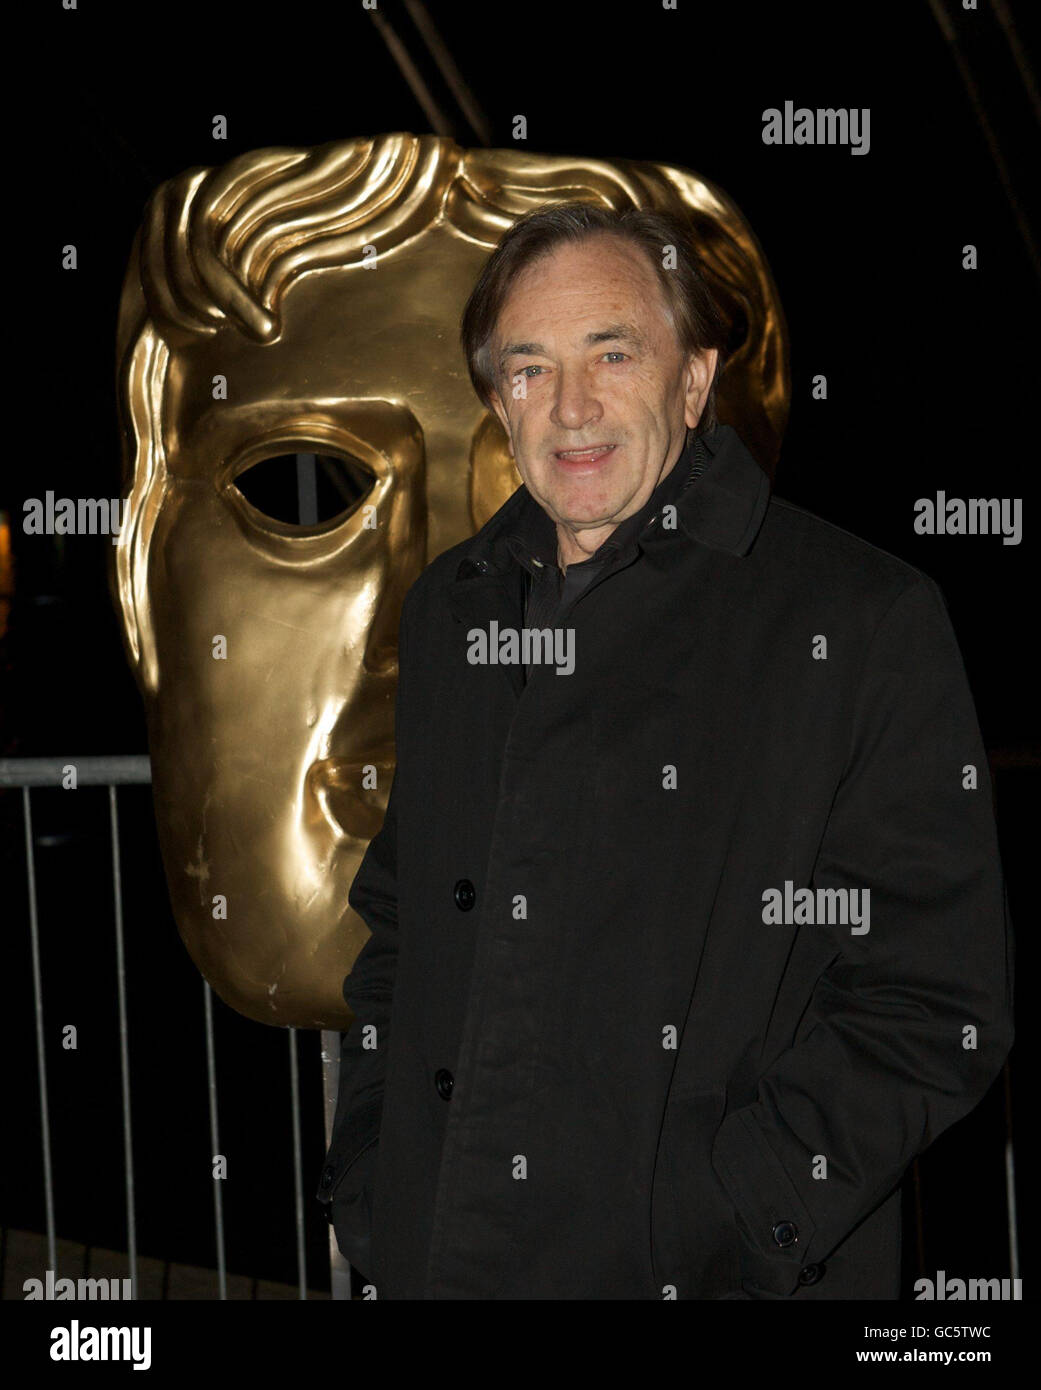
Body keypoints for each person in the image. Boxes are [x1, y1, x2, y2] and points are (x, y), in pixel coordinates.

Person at [316, 201, 1014, 1299]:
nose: (573, 406)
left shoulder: (858, 618)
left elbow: (936, 1002)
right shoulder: (453, 610)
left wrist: (735, 1214)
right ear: (499, 400)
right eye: (531, 368)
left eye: (613, 352)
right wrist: (373, 1177)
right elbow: (403, 923)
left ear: (694, 379)